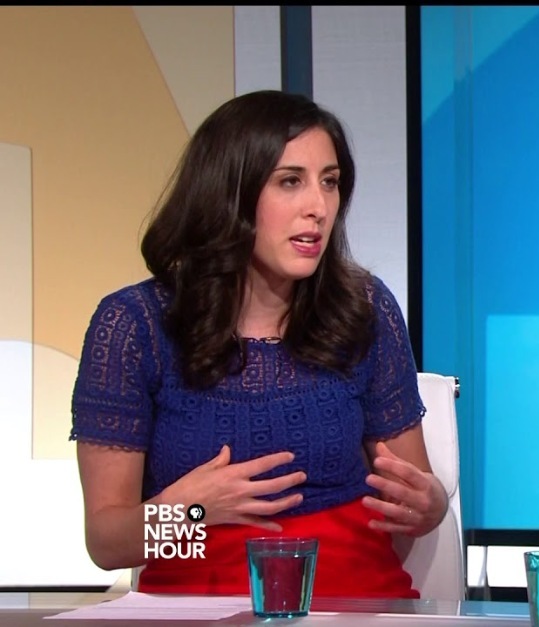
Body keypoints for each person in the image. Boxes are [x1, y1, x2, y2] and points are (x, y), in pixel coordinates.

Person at [69, 90, 446, 598]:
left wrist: (430, 506)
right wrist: (195, 512)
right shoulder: (135, 326)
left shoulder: (364, 308)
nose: (318, 207)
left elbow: (413, 500)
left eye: (330, 182)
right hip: (194, 607)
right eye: (290, 181)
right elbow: (108, 544)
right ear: (230, 193)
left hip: (354, 602)